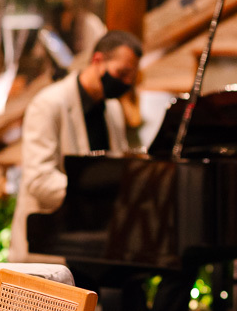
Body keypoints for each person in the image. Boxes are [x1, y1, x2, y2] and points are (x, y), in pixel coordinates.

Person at [10, 29, 141, 262]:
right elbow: (38, 179)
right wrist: (90, 195)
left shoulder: (112, 108)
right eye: (122, 73)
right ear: (98, 60)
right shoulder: (48, 104)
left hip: (95, 241)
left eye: (131, 77)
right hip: (51, 240)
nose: (126, 83)